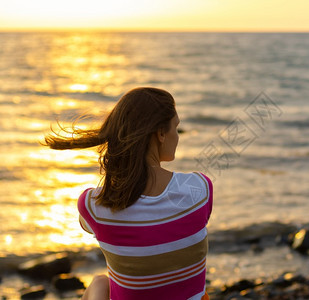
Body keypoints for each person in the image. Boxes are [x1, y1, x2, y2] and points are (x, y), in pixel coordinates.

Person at [44, 87, 213, 300]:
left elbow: (86, 224)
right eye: (176, 128)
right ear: (161, 133)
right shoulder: (200, 189)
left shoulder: (93, 205)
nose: (177, 137)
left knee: (100, 283)